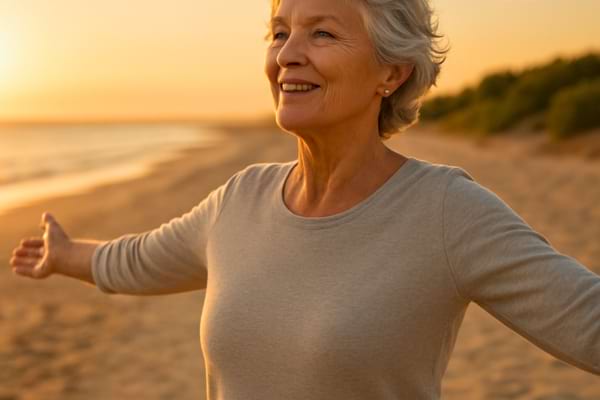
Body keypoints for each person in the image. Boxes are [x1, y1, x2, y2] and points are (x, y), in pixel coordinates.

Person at [10, 0, 600, 398]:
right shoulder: (240, 198)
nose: (288, 52)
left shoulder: (446, 210)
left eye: (321, 32)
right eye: (279, 31)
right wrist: (64, 255)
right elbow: (139, 259)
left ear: (390, 72)